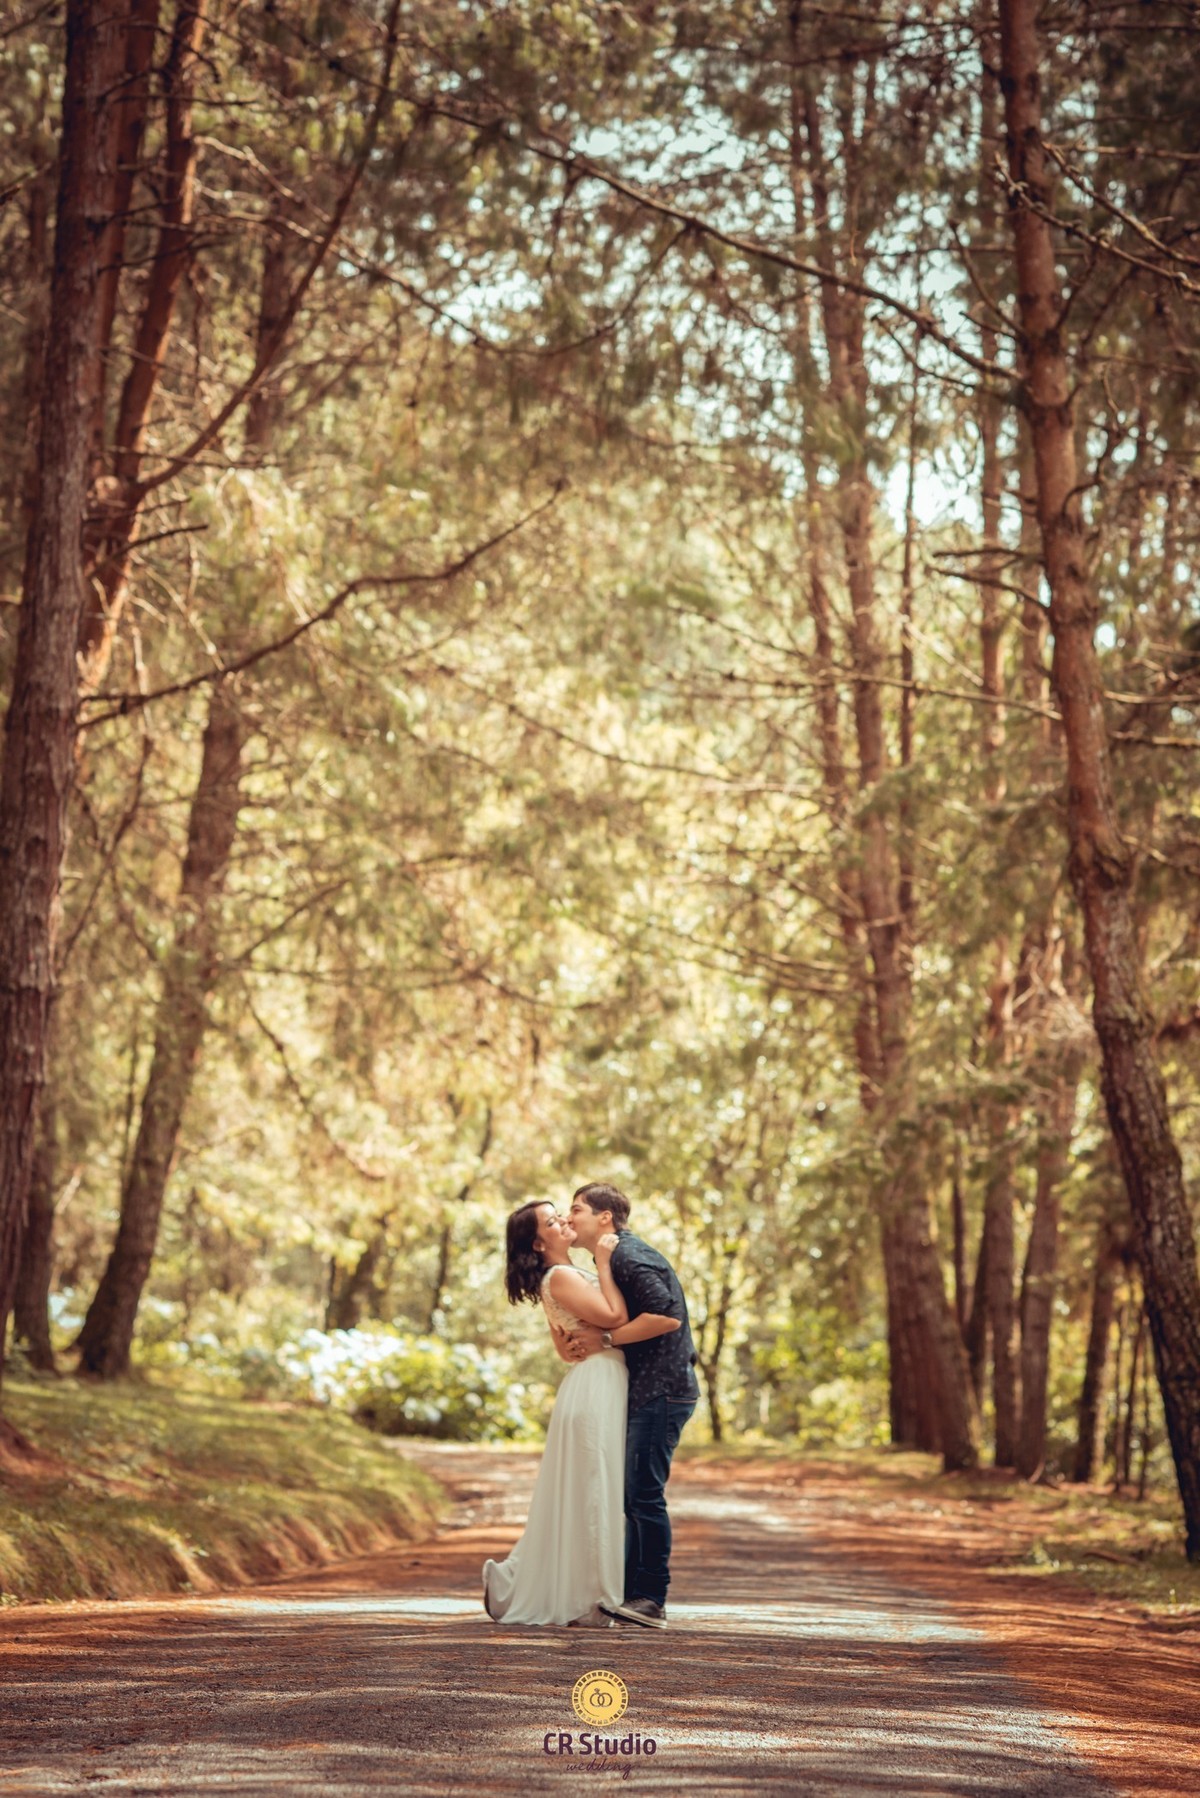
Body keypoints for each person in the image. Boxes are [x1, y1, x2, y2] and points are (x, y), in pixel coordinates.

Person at [481, 1200, 629, 1626]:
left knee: (585, 1491)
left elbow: (567, 1340)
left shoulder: (561, 1275)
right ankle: (596, 1596)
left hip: (598, 1379)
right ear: (537, 1242)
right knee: (593, 1489)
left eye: (560, 1214)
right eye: (551, 1221)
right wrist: (603, 1261)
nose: (563, 1220)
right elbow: (615, 1316)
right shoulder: (562, 1275)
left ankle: (516, 1579)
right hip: (595, 1384)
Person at [558, 1182, 699, 1630]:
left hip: (663, 1390)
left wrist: (606, 1338)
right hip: (648, 1390)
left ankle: (650, 1598)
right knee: (633, 1494)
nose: (569, 1217)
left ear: (605, 1217)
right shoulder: (613, 1257)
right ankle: (630, 1596)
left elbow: (666, 1315)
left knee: (643, 1495)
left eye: (576, 1209)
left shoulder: (628, 1255)